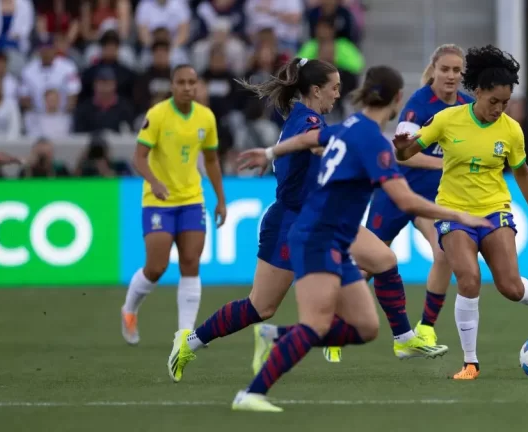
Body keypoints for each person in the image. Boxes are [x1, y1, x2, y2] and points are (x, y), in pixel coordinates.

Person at [229, 65, 491, 412]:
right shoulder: (368, 139)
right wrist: (459, 214)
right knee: (317, 322)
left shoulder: (351, 125)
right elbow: (406, 200)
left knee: (367, 326)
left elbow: (311, 139)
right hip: (317, 234)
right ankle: (251, 394)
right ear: (398, 99)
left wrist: (271, 152)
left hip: (335, 233)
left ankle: (278, 335)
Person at [166, 58, 445, 384]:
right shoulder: (307, 119)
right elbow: (314, 144)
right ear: (315, 90)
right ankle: (189, 342)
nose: (338, 95)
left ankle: (403, 338)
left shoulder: (309, 119)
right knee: (261, 307)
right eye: (334, 88)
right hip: (292, 221)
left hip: (326, 216)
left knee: (384, 259)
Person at [395, 45, 528, 380]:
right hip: (453, 213)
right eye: (494, 102)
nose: (499, 109)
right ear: (478, 91)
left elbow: (522, 172)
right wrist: (401, 144)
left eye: (505, 103)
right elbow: (406, 154)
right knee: (469, 278)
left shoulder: (511, 129)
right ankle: (471, 363)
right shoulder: (447, 120)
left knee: (509, 287)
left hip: (494, 210)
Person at [365, 44, 472, 349]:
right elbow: (402, 155)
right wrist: (446, 162)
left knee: (443, 254)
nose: (450, 75)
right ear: (434, 71)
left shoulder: (467, 106)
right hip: (399, 192)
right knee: (368, 265)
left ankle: (425, 328)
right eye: (445, 69)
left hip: (432, 201)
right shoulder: (418, 104)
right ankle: (335, 321)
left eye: (456, 70)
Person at [121, 64, 227, 347]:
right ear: (172, 85)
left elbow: (212, 160)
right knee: (156, 267)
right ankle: (129, 310)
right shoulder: (157, 115)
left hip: (192, 199)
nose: (187, 87)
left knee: (191, 263)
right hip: (159, 200)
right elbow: (139, 158)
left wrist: (221, 199)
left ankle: (184, 336)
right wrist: (154, 182)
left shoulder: (206, 117)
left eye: (192, 82)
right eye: (181, 82)